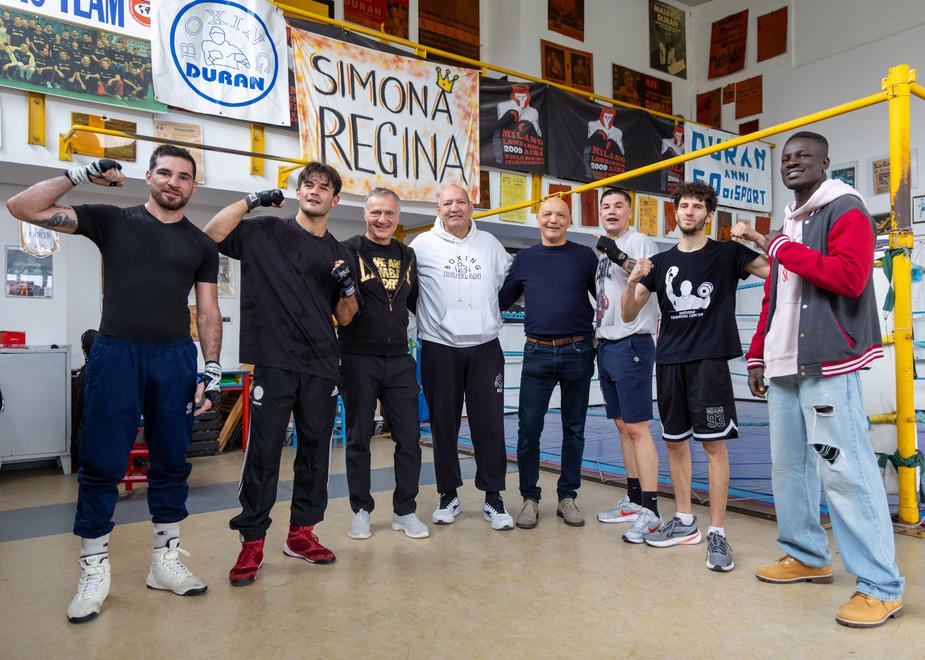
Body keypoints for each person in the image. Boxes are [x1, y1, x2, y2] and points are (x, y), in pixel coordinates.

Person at [6, 145, 223, 623]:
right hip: (117, 352)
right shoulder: (112, 220)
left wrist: (210, 367)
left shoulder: (202, 246)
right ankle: (94, 568)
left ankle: (165, 561)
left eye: (183, 176)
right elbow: (22, 207)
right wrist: (78, 174)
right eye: (164, 172)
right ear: (148, 176)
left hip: (175, 359)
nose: (173, 182)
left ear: (193, 186)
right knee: (102, 462)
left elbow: (207, 310)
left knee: (171, 461)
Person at [735, 131, 905, 628]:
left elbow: (851, 278)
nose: (792, 163)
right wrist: (757, 355)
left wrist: (780, 246)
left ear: (826, 163)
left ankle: (880, 585)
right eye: (786, 158)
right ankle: (807, 554)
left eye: (803, 156)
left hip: (827, 362)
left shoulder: (844, 208)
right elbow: (775, 294)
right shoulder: (790, 220)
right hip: (784, 363)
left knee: (846, 474)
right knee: (788, 468)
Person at [202, 162, 358, 587]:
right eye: (307, 184)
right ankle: (252, 542)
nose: (314, 191)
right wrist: (250, 202)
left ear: (335, 200)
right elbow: (211, 234)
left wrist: (345, 288)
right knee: (264, 453)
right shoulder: (264, 231)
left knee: (315, 454)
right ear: (298, 192)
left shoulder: (340, 253)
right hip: (273, 360)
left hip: (323, 365)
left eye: (324, 188)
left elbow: (347, 317)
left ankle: (301, 534)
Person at [621, 181, 768, 572]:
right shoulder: (663, 261)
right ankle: (685, 521)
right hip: (669, 363)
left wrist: (756, 236)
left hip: (710, 364)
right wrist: (635, 278)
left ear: (708, 214)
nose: (688, 212)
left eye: (696, 206)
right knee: (674, 444)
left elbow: (777, 271)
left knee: (714, 447)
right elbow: (627, 315)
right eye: (683, 205)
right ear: (676, 212)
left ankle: (718, 532)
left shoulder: (728, 253)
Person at [410, 184, 515, 530]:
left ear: (472, 207)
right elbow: (409, 293)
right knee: (443, 424)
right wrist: (435, 319)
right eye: (447, 203)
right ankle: (448, 494)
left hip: (485, 346)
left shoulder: (490, 245)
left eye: (460, 202)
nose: (454, 208)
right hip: (439, 346)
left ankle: (494, 497)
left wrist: (485, 314)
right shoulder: (421, 246)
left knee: (490, 424)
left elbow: (508, 285)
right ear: (437, 210)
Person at [499, 197, 597, 528]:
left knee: (575, 428)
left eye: (560, 215)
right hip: (537, 352)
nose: (553, 220)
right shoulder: (525, 259)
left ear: (569, 220)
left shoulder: (584, 256)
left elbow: (606, 297)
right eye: (547, 214)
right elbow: (500, 299)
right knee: (528, 429)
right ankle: (530, 497)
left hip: (578, 351)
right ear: (537, 219)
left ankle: (567, 496)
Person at [339, 187, 428, 541]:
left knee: (409, 438)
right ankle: (361, 509)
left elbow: (417, 302)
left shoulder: (408, 255)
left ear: (397, 216)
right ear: (365, 215)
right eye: (376, 212)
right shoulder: (348, 250)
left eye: (389, 213)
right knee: (359, 437)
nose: (382, 219)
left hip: (399, 360)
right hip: (358, 357)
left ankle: (405, 510)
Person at [592, 189, 663, 543]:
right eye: (605, 206)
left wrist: (614, 251)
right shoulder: (602, 253)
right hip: (607, 344)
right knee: (622, 426)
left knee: (637, 428)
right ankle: (635, 500)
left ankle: (651, 510)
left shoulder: (640, 242)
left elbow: (646, 274)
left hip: (633, 341)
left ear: (630, 211)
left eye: (618, 205)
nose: (611, 210)